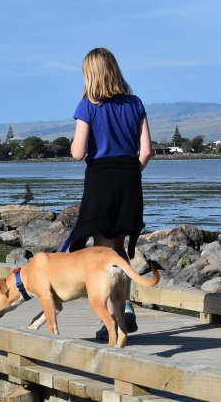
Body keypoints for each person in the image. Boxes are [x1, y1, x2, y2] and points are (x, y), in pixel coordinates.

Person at [68, 48, 152, 340]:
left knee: (102, 252)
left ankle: (111, 320)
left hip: (101, 178)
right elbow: (147, 151)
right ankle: (125, 305)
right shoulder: (135, 103)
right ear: (115, 70)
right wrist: (130, 174)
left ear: (89, 74)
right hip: (129, 177)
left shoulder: (87, 105)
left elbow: (78, 153)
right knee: (119, 247)